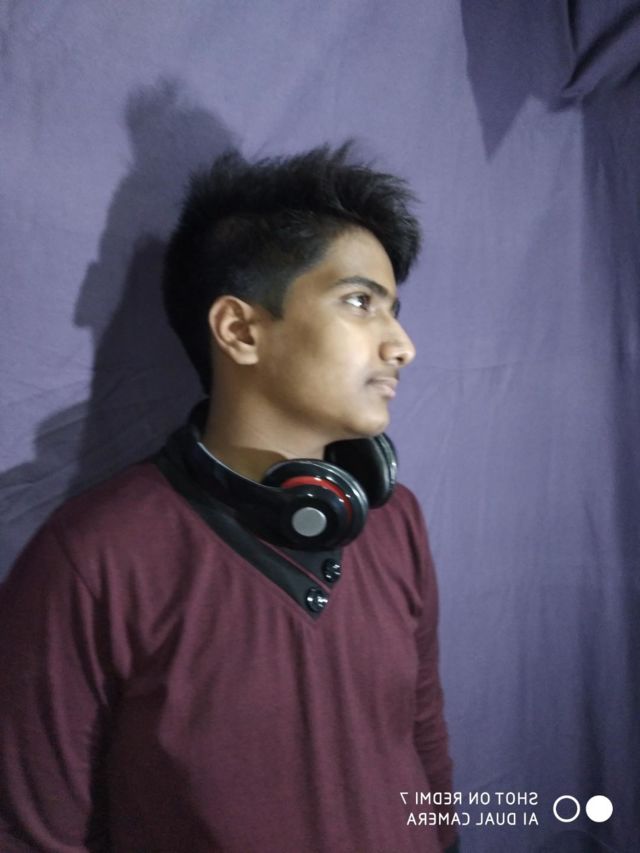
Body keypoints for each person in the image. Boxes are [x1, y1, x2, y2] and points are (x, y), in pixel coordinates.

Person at [0, 144, 459, 852]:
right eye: (361, 302)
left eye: (393, 310)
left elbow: (423, 741)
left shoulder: (396, 522)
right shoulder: (94, 556)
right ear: (240, 331)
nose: (402, 345)